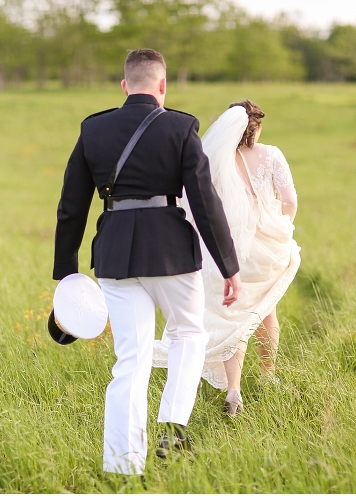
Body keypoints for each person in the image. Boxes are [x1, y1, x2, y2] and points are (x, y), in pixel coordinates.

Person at [53, 49, 242, 476]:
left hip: (116, 253)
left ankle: (123, 464)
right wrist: (229, 265)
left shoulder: (93, 128)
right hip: (172, 251)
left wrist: (68, 276)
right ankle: (173, 425)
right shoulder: (180, 126)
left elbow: (71, 206)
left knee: (131, 359)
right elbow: (205, 202)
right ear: (162, 85)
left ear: (124, 85)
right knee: (189, 333)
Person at [153, 100, 301, 416]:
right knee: (264, 310)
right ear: (256, 127)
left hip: (228, 247)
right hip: (266, 248)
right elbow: (289, 200)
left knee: (231, 315)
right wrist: (281, 224)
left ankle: (234, 390)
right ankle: (268, 374)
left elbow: (193, 201)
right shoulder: (271, 155)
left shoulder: (215, 159)